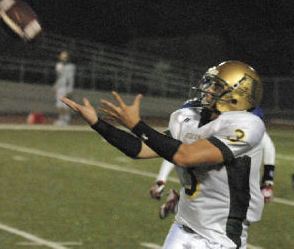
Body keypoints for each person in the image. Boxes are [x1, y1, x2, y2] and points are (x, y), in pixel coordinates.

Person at [61, 60, 265, 249]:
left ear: (239, 95)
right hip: (184, 226)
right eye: (209, 83)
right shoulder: (189, 118)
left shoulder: (247, 125)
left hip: (219, 238)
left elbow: (185, 156)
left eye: (217, 86)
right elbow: (141, 148)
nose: (208, 90)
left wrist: (136, 125)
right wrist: (97, 123)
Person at [150, 106, 276, 220]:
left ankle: (177, 205)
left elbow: (267, 145)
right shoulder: (212, 124)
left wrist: (267, 181)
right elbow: (177, 151)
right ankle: (178, 205)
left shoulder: (246, 124)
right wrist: (161, 180)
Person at [53, 51, 76, 126]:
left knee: (65, 105)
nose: (64, 59)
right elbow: (58, 78)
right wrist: (55, 87)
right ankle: (61, 119)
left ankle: (66, 120)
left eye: (65, 58)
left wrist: (70, 89)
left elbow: (71, 79)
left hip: (65, 88)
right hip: (60, 87)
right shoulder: (58, 66)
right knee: (59, 105)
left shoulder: (71, 67)